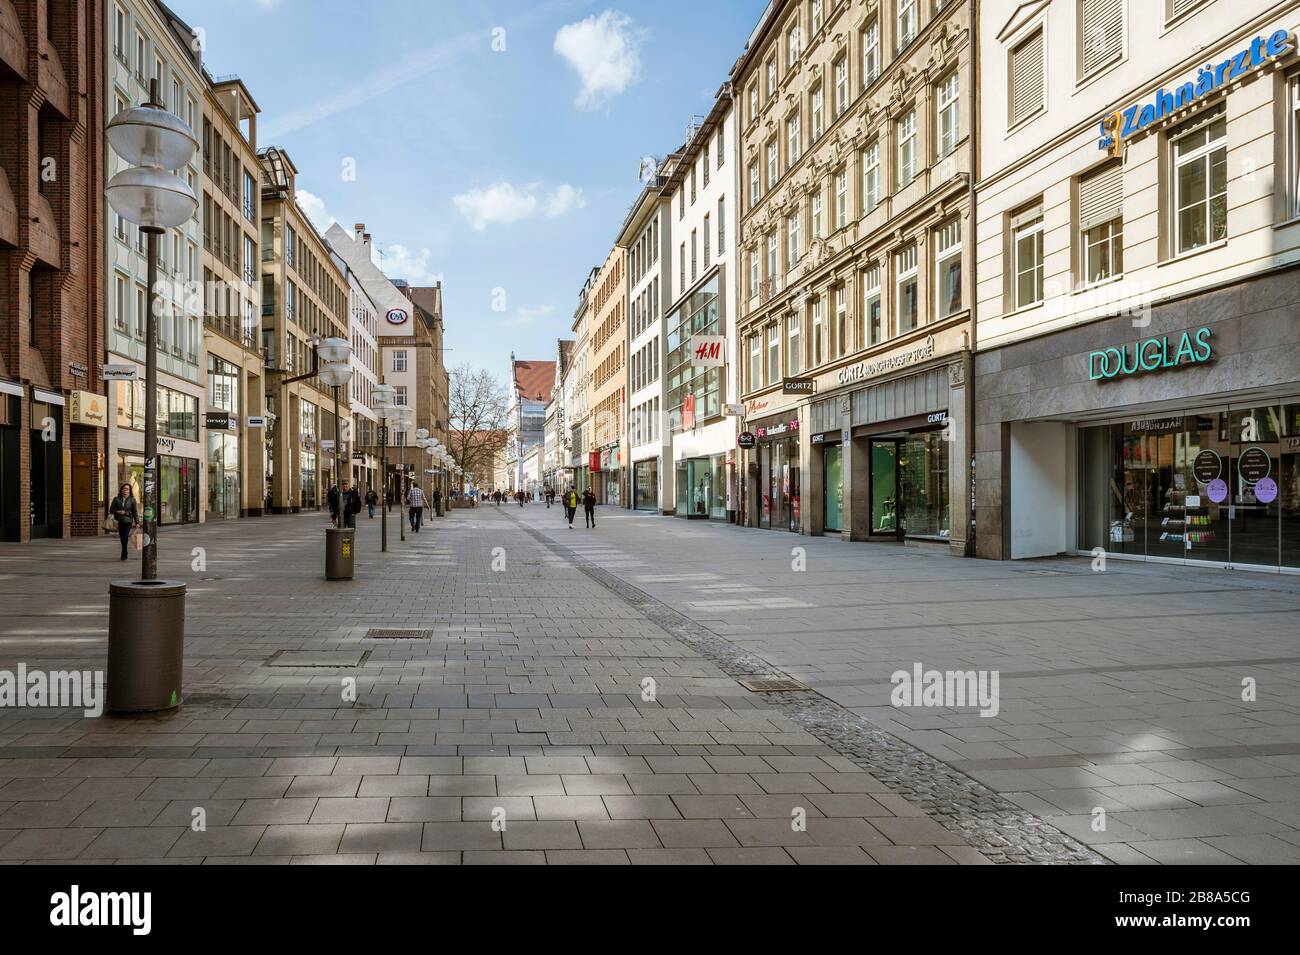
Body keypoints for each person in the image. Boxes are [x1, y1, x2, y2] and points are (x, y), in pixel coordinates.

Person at [107, 483, 139, 561]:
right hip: (119, 521)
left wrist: (137, 522)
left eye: (127, 489)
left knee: (125, 536)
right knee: (122, 537)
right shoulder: (116, 499)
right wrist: (118, 512)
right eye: (124, 489)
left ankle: (123, 552)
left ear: (129, 491)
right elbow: (111, 510)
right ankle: (125, 550)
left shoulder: (132, 499)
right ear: (121, 490)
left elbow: (134, 511)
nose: (125, 490)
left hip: (128, 520)